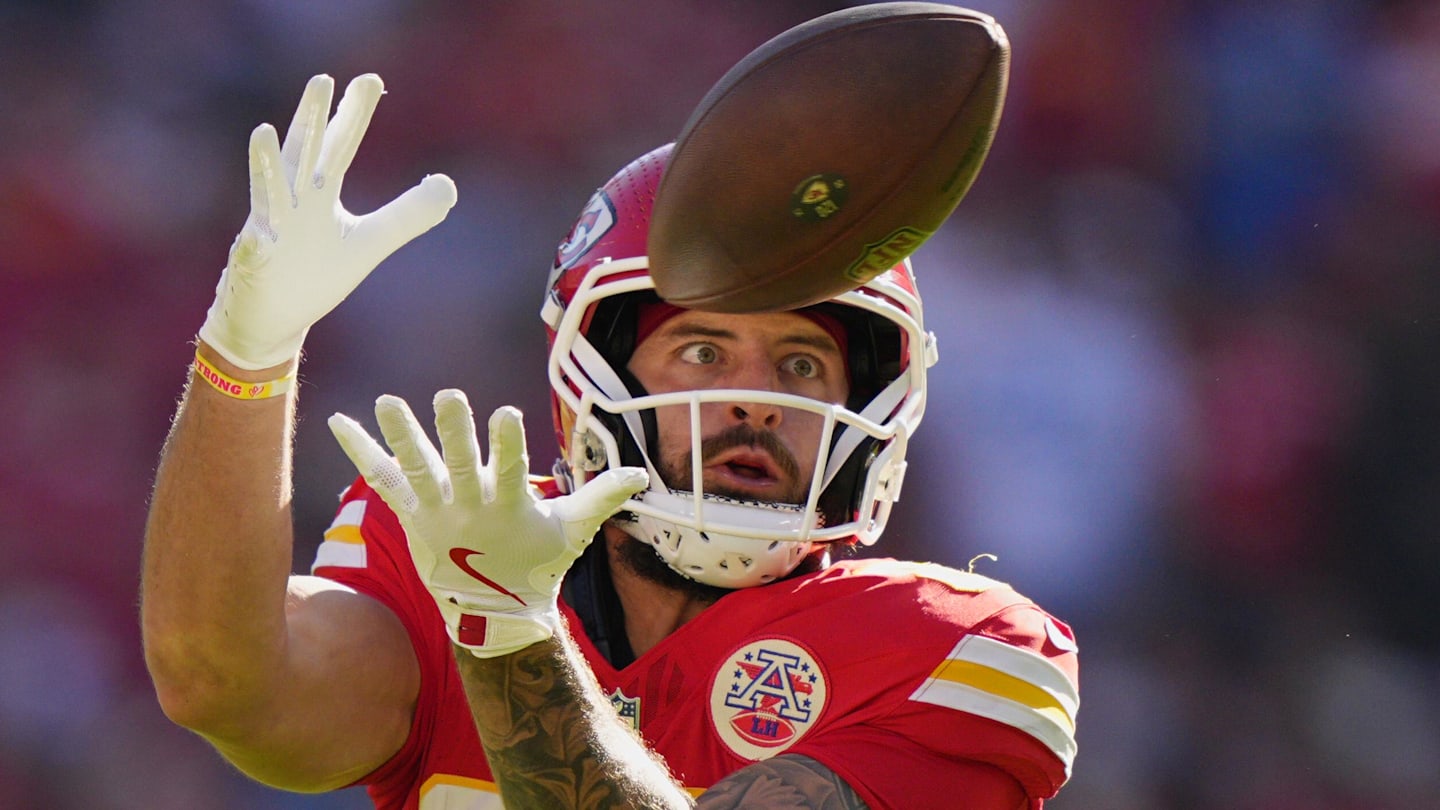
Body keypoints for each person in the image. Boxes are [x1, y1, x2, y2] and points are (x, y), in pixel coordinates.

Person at [143, 70, 1079, 810]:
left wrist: (506, 627)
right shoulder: (450, 540)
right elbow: (217, 681)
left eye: (801, 363)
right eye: (704, 351)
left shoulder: (952, 650)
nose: (756, 400)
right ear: (602, 375)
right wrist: (246, 355)